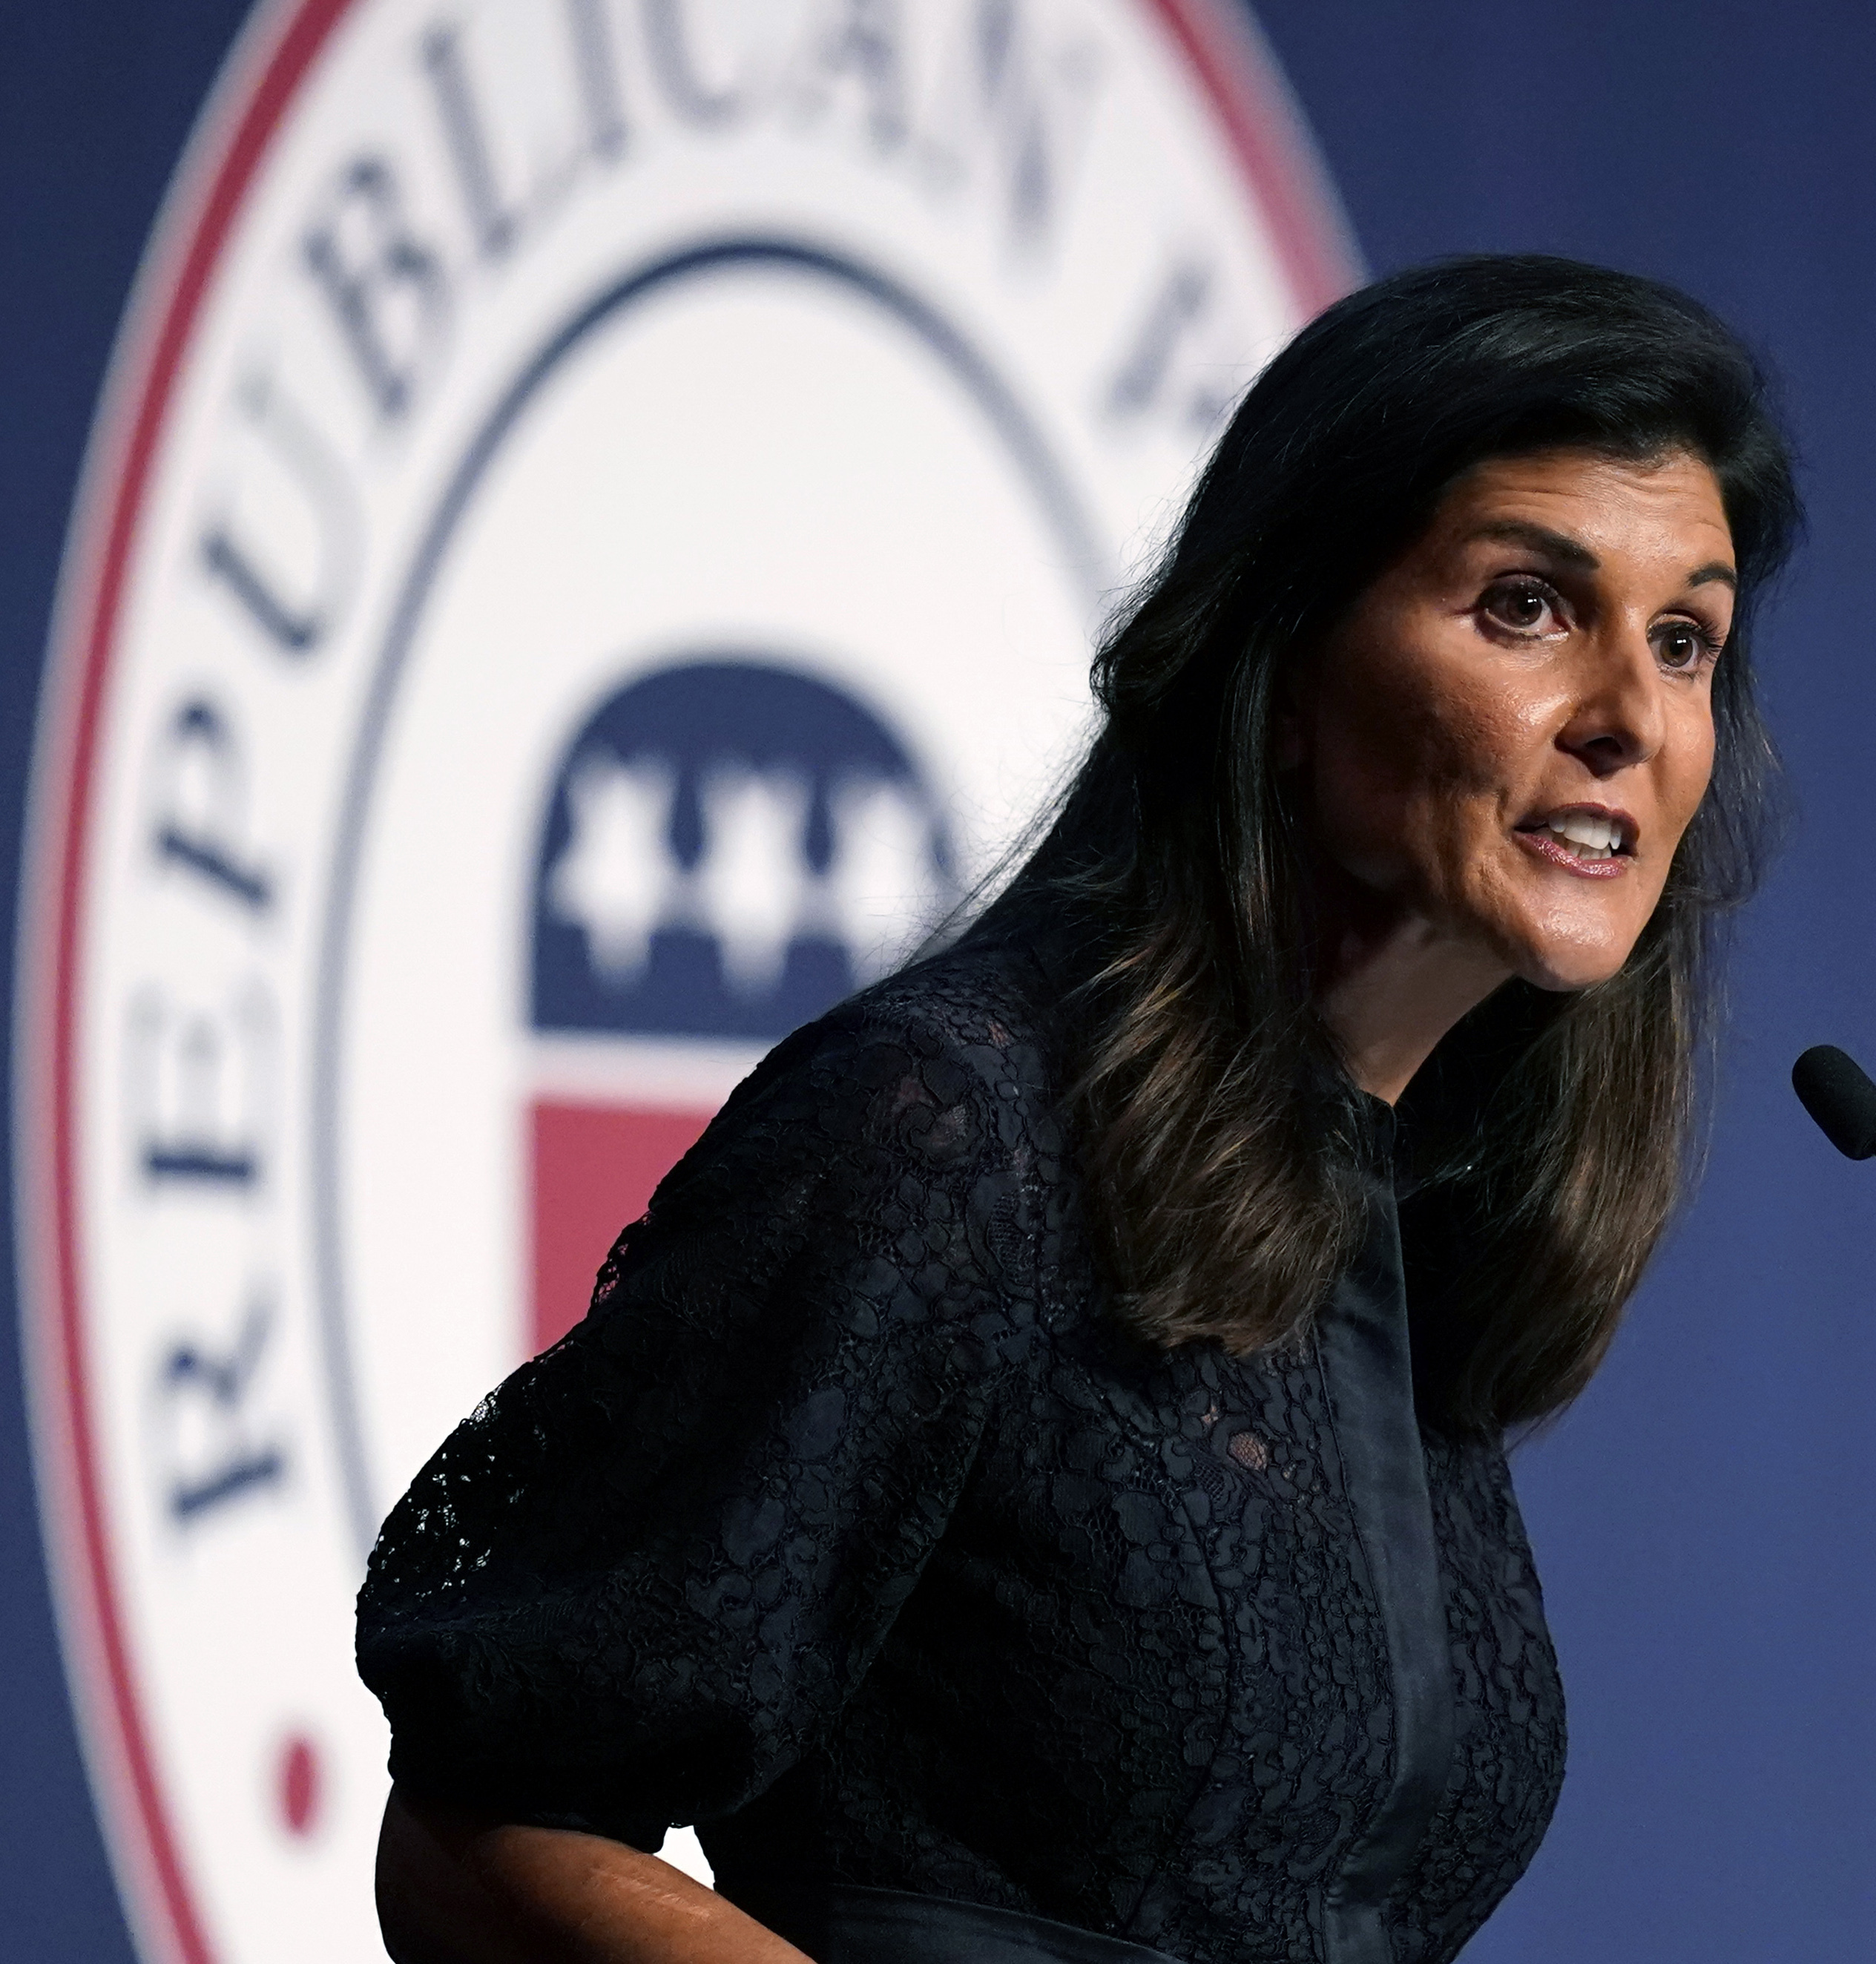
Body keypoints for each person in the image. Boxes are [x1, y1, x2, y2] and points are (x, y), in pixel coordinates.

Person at [357, 253, 1802, 1964]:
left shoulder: (1405, 1216)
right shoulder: (948, 1137)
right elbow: (483, 1822)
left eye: (1687, 639)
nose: (1631, 717)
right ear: (1283, 669)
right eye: (1527, 607)